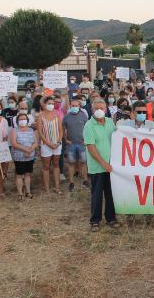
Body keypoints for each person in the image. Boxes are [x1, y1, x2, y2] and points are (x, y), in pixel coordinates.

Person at [83, 98, 120, 232]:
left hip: (112, 166)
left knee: (110, 193)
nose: (99, 111)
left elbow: (120, 138)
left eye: (102, 108)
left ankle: (111, 218)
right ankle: (95, 221)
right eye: (96, 108)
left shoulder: (110, 122)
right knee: (97, 194)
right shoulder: (89, 125)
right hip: (97, 166)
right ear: (92, 110)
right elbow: (91, 147)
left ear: (106, 109)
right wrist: (103, 163)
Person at [37, 96, 64, 194]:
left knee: (56, 164)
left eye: (53, 103)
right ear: (44, 104)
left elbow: (61, 130)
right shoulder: (40, 116)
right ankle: (47, 188)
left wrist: (58, 142)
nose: (51, 105)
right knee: (46, 166)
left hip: (57, 144)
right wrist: (49, 144)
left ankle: (57, 187)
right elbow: (40, 132)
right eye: (49, 103)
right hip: (46, 145)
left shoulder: (57, 115)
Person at [63, 98, 90, 192]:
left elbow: (87, 129)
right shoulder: (66, 117)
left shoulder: (83, 116)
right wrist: (66, 139)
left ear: (79, 106)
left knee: (83, 162)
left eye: (76, 106)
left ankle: (85, 180)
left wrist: (86, 140)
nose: (74, 107)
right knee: (71, 163)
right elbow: (63, 129)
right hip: (71, 144)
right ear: (70, 106)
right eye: (73, 106)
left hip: (82, 144)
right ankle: (71, 182)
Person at [10, 113, 38, 200]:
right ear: (17, 121)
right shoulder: (15, 130)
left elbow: (35, 143)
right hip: (19, 157)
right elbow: (14, 143)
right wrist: (26, 150)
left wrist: (30, 150)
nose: (22, 121)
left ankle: (28, 192)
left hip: (30, 156)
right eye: (20, 119)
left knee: (28, 174)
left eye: (24, 119)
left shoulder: (31, 130)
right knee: (19, 175)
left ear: (27, 121)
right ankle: (20, 193)